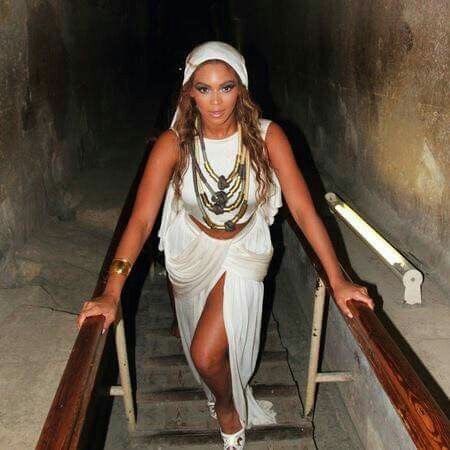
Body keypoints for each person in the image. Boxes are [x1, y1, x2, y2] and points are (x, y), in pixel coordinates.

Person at [77, 41, 374, 449]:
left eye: (226, 87)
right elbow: (141, 221)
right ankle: (220, 391)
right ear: (189, 92)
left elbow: (305, 211)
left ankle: (228, 409)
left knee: (205, 353)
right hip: (191, 249)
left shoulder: (269, 137)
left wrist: (338, 280)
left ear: (242, 88)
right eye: (204, 89)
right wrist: (111, 292)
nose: (215, 100)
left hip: (244, 248)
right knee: (200, 344)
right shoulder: (173, 144)